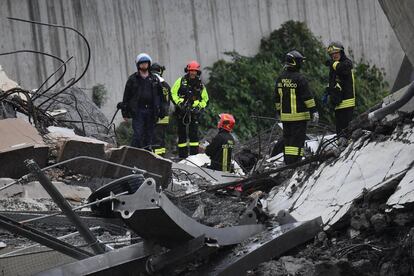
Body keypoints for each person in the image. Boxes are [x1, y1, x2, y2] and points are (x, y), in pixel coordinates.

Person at [275, 50, 319, 165]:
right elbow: (308, 98)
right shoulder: (300, 78)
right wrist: (314, 111)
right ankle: (296, 163)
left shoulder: (280, 78)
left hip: (285, 118)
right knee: (297, 142)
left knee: (288, 141)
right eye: (300, 62)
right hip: (299, 117)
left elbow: (276, 98)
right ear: (295, 63)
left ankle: (288, 162)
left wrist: (279, 112)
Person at [118, 53, 164, 149]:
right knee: (138, 134)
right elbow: (126, 96)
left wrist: (162, 110)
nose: (144, 65)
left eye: (146, 63)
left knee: (149, 135)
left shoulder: (154, 79)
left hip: (151, 111)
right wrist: (125, 113)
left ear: (149, 64)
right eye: (142, 63)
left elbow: (160, 96)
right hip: (138, 111)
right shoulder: (132, 79)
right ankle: (134, 153)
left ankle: (147, 156)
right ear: (138, 65)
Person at [171, 60, 209, 159]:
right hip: (182, 111)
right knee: (182, 134)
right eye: (191, 70)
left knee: (194, 135)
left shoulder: (200, 84)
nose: (192, 72)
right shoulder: (180, 81)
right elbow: (173, 93)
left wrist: (199, 107)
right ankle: (183, 156)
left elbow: (205, 99)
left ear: (197, 72)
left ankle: (194, 157)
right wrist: (179, 103)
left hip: (194, 112)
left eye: (194, 71)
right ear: (188, 71)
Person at [323, 41, 355, 137]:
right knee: (339, 132)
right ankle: (341, 148)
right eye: (332, 54)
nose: (334, 55)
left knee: (347, 130)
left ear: (341, 52)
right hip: (338, 103)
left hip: (347, 103)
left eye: (336, 53)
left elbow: (342, 69)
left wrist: (333, 63)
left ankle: (348, 147)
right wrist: (328, 91)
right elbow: (334, 81)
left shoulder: (347, 63)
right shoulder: (334, 65)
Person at [150, 63, 171, 156]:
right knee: (161, 140)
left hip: (156, 117)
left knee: (155, 141)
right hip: (165, 117)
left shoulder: (152, 83)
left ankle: (157, 160)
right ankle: (162, 158)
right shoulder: (166, 85)